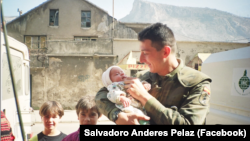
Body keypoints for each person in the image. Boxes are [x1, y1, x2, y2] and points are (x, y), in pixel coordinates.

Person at [95, 22, 212, 125]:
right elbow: (102, 95)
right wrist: (118, 116)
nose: (141, 59)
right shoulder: (142, 77)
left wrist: (144, 97)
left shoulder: (197, 82)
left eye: (145, 53)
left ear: (165, 52)